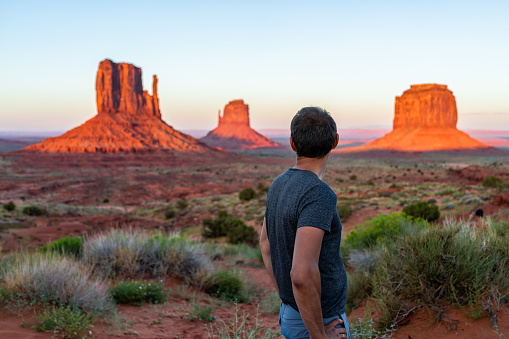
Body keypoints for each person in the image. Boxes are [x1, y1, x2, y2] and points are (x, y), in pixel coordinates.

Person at [260, 107, 350, 339]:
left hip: (293, 314)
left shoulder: (278, 184)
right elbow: (301, 275)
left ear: (292, 143)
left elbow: (265, 245)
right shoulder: (318, 194)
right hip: (320, 320)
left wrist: (288, 300)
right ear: (335, 141)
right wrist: (319, 335)